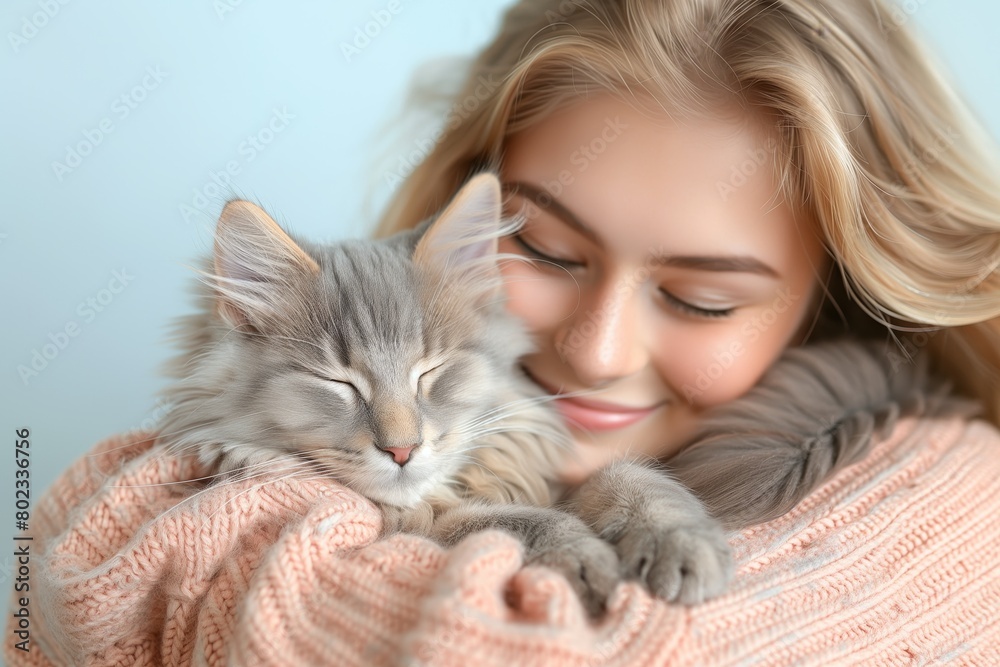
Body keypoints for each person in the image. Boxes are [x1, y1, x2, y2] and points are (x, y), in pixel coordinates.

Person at [10, 1, 1000, 665]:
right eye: (551, 252)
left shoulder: (957, 498)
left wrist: (157, 528)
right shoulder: (402, 340)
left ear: (843, 293)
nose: (597, 350)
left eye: (703, 299)